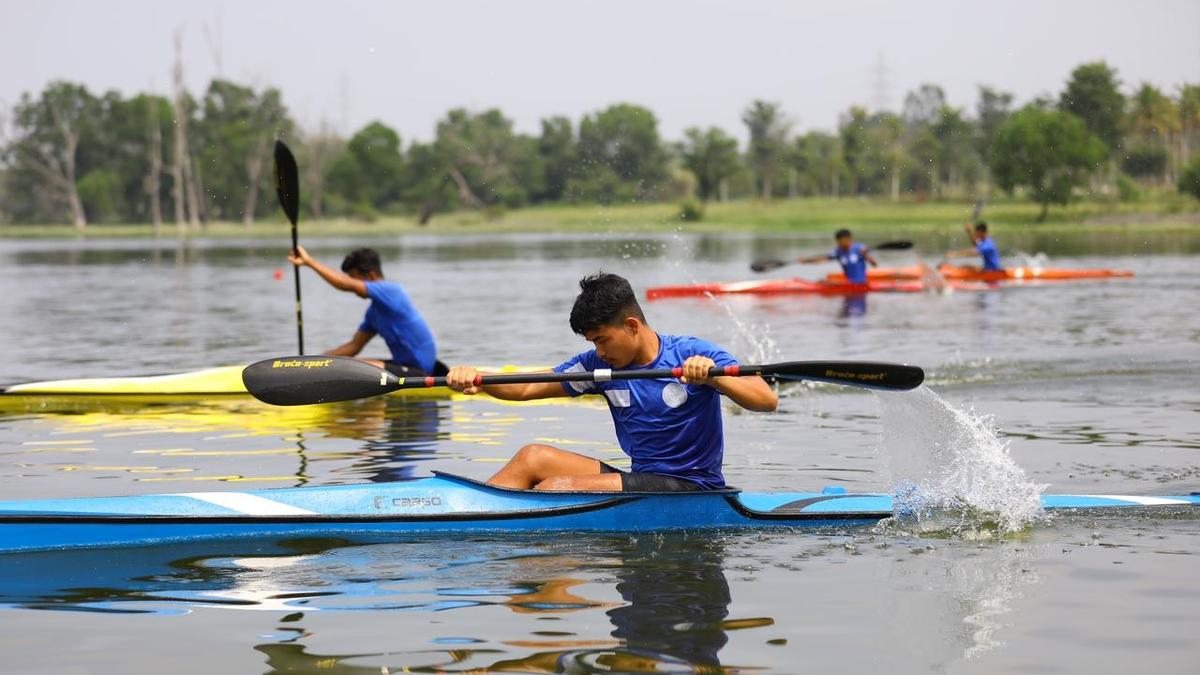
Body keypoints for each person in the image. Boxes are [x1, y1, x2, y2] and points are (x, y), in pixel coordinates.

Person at [445, 272, 777, 492]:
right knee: (532, 457)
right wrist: (480, 379)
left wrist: (715, 378)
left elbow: (766, 400)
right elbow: (530, 387)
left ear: (632, 325)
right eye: (593, 343)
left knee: (557, 488)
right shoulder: (598, 366)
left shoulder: (692, 353)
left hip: (690, 485)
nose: (599, 352)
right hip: (641, 479)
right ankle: (469, 516)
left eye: (602, 340)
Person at [287, 245, 444, 376]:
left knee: (349, 367)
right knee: (345, 364)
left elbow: (342, 283)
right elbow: (353, 347)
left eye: (353, 278)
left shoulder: (392, 292)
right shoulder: (374, 313)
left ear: (372, 275)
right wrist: (314, 362)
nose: (351, 283)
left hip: (421, 372)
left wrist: (309, 262)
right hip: (403, 367)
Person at [797, 229, 879, 284]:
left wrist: (866, 255)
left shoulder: (859, 248)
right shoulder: (838, 251)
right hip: (848, 283)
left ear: (848, 239)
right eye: (837, 241)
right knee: (822, 281)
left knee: (823, 282)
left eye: (840, 241)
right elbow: (822, 259)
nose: (838, 243)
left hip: (860, 283)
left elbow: (875, 265)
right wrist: (806, 261)